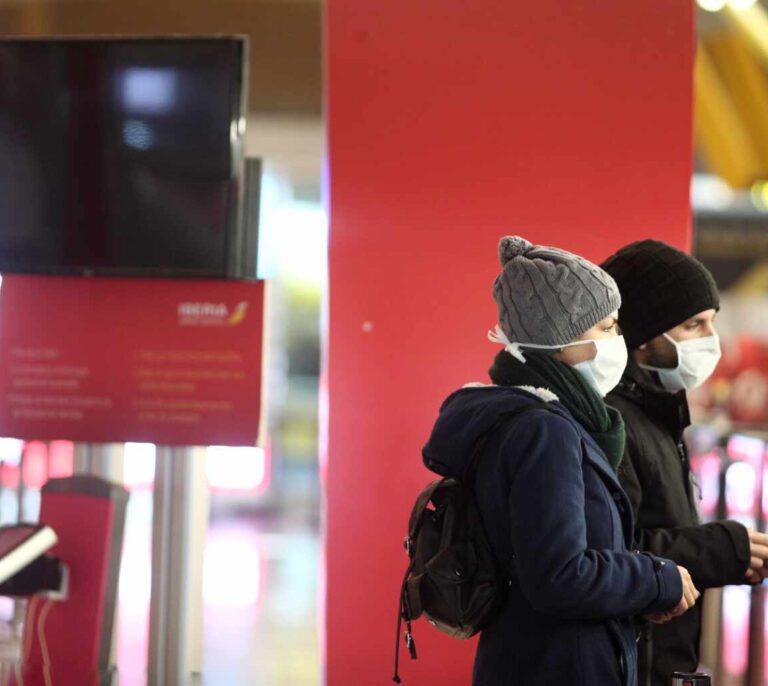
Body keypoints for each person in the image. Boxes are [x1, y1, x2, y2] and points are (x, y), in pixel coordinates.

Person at [422, 236, 699, 686]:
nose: (618, 340)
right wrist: (657, 577)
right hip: (558, 667)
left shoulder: (531, 418)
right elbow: (560, 575)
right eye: (607, 326)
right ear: (559, 338)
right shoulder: (544, 431)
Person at [601, 239, 768, 686]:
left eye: (711, 323)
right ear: (641, 335)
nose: (711, 342)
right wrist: (720, 549)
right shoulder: (611, 422)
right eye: (694, 325)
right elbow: (606, 555)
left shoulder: (656, 411)